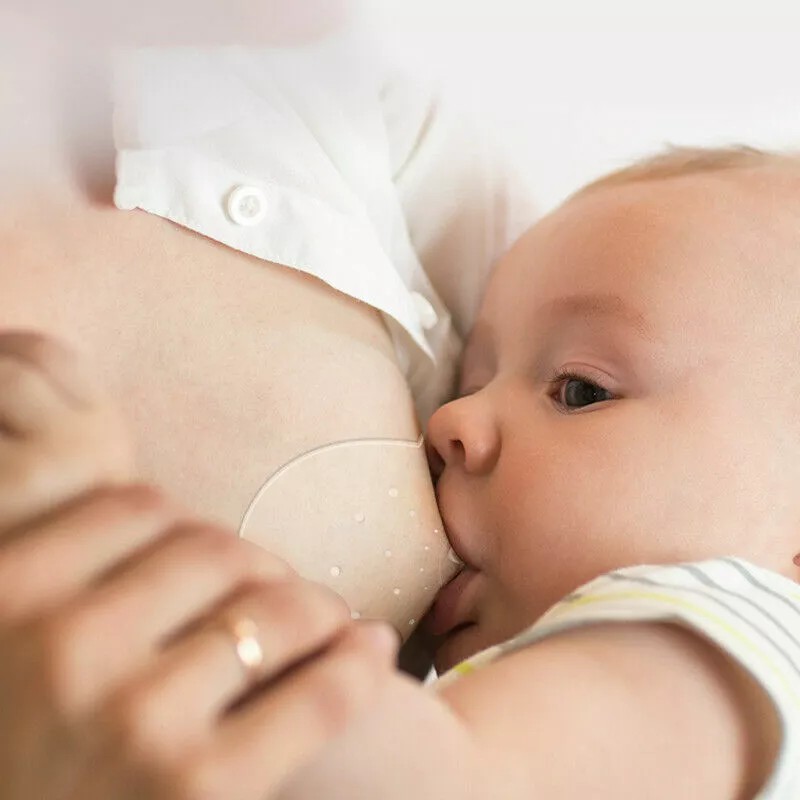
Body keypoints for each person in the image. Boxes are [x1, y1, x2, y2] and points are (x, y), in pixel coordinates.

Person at [5, 144, 800, 799]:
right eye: (469, 382)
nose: (451, 422)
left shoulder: (736, 637)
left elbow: (439, 780)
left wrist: (85, 530)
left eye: (579, 390)